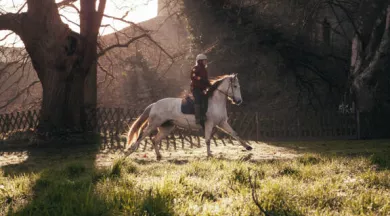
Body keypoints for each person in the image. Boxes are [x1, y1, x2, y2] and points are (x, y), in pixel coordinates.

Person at [190, 53, 211, 127]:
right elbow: (193, 76)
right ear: (200, 61)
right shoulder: (195, 68)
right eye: (204, 60)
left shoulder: (205, 70)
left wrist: (209, 84)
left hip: (202, 89)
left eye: (206, 60)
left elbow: (205, 80)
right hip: (195, 88)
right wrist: (200, 79)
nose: (206, 62)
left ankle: (203, 115)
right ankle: (197, 118)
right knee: (198, 99)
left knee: (205, 99)